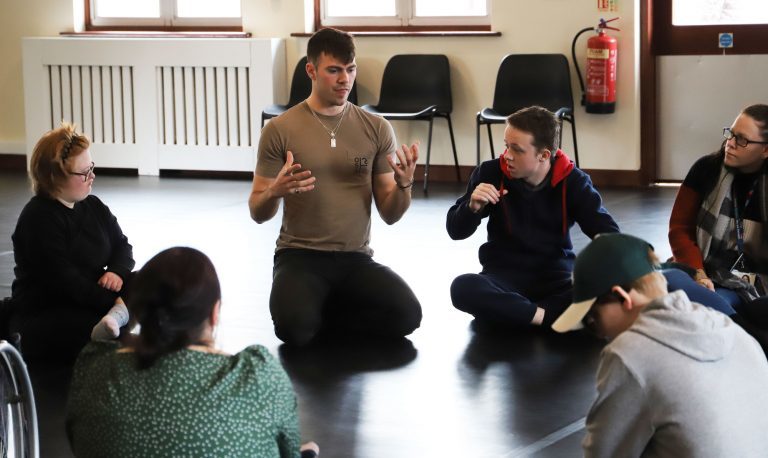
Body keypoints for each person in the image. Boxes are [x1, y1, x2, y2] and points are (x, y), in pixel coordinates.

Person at [248, 28, 422, 346]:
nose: (345, 79)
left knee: (408, 316)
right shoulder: (278, 130)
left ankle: (326, 311)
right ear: (311, 70)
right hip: (299, 255)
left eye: (350, 69)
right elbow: (258, 212)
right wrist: (275, 191)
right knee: (293, 330)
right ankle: (314, 311)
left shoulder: (376, 127)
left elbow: (391, 214)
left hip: (355, 258)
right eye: (334, 70)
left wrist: (404, 184)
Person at [66, 247, 319, 457]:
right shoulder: (259, 375)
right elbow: (289, 450)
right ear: (214, 313)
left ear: (139, 310)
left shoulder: (95, 369)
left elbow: (77, 440)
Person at [552, 233, 768, 457]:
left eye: (592, 321)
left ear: (622, 297)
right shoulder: (728, 327)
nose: (600, 334)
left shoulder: (629, 353)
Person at [446, 106, 619, 329]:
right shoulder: (489, 173)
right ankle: (548, 319)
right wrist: (472, 208)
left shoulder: (574, 182)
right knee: (462, 287)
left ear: (544, 155)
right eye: (506, 146)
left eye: (517, 150)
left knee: (606, 288)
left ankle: (520, 314)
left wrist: (599, 272)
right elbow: (455, 231)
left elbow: (610, 237)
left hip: (556, 280)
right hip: (502, 278)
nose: (507, 155)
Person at [5, 123, 134, 362]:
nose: (92, 176)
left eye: (92, 168)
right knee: (113, 332)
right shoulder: (38, 218)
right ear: (54, 177)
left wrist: (117, 272)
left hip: (92, 294)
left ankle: (116, 317)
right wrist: (112, 301)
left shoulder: (93, 206)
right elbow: (64, 281)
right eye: (84, 172)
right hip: (50, 308)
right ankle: (116, 318)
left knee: (151, 282)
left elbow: (122, 246)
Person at [669, 104, 768, 324]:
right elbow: (680, 229)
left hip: (758, 282)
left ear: (765, 150)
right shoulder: (706, 169)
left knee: (717, 309)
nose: (730, 143)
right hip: (709, 272)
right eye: (731, 133)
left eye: (742, 139)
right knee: (675, 286)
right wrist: (699, 273)